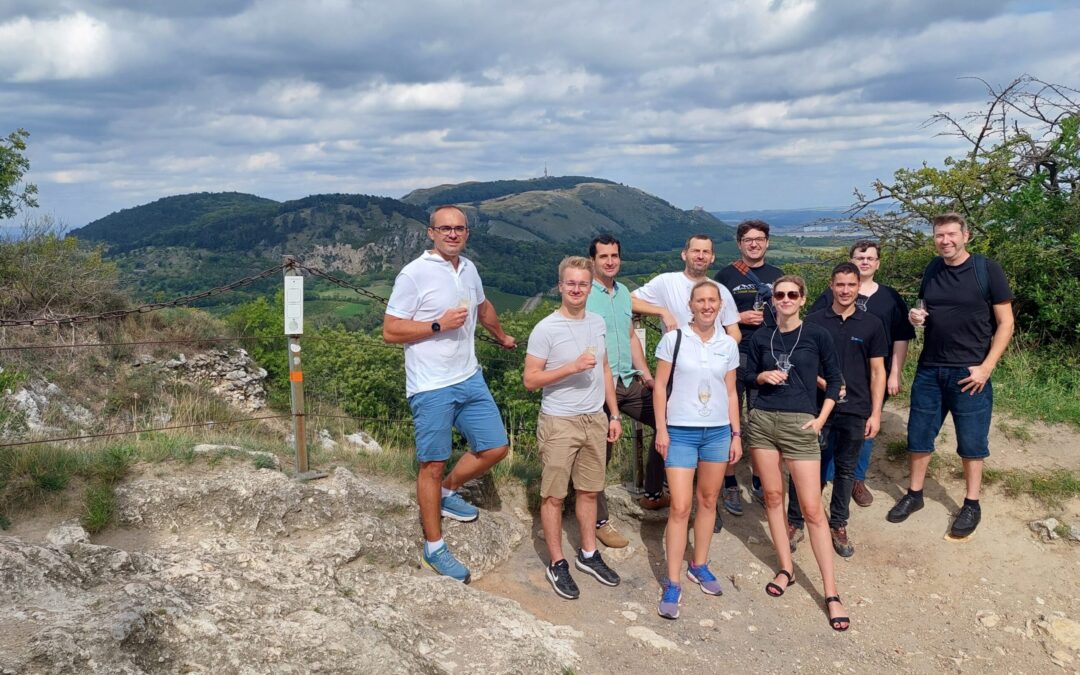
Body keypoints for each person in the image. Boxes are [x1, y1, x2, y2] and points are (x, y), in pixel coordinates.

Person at [383, 205, 517, 584]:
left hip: (469, 376)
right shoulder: (413, 273)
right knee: (433, 463)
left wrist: (501, 335)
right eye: (445, 229)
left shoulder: (468, 268)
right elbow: (390, 330)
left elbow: (482, 307)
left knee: (495, 446)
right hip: (430, 385)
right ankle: (434, 547)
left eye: (459, 228)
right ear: (431, 233)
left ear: (467, 233)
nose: (453, 234)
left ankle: (446, 493)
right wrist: (438, 324)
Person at [887, 213, 1014, 538]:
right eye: (939, 235)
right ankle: (915, 494)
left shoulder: (987, 269)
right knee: (918, 435)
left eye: (951, 234)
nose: (945, 241)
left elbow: (1006, 323)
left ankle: (971, 503)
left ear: (965, 236)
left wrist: (986, 367)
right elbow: (925, 310)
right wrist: (917, 317)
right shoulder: (933, 268)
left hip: (970, 371)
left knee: (972, 441)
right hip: (930, 368)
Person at [745, 275, 849, 631]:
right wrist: (762, 377)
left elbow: (835, 381)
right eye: (780, 294)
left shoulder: (817, 334)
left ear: (803, 298)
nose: (786, 299)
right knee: (773, 498)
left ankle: (831, 593)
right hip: (763, 423)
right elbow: (747, 376)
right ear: (772, 299)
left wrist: (821, 419)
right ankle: (786, 568)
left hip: (801, 425)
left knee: (812, 510)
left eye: (792, 294)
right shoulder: (762, 337)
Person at [524, 256, 623, 599]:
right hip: (559, 421)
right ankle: (557, 562)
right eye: (571, 283)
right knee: (554, 495)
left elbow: (605, 369)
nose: (577, 289)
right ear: (560, 286)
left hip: (595, 418)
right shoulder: (545, 329)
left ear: (590, 286)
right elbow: (530, 380)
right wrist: (571, 367)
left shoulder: (597, 322)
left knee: (590, 491)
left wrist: (614, 414)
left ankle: (589, 554)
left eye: (583, 283)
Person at [652, 280, 742, 620]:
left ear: (720, 305)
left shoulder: (728, 344)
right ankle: (672, 581)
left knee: (708, 500)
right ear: (690, 305)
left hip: (717, 431)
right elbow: (660, 387)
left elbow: (730, 392)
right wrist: (662, 429)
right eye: (700, 300)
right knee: (680, 506)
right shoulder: (674, 339)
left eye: (712, 300)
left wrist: (736, 434)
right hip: (680, 431)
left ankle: (699, 564)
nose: (706, 306)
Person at [631, 233, 740, 511]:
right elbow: (628, 301)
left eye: (706, 252)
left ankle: (705, 500)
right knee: (668, 428)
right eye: (695, 251)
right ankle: (656, 492)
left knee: (709, 431)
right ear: (685, 254)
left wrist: (720, 353)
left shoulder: (720, 291)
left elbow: (734, 331)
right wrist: (661, 311)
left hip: (711, 371)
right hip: (677, 368)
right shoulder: (666, 282)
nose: (700, 256)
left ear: (712, 257)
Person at [787, 263, 887, 558]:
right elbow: (802, 365)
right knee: (805, 468)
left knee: (846, 469)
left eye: (851, 285)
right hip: (817, 408)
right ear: (831, 285)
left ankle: (838, 524)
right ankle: (795, 521)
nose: (845, 290)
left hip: (856, 408)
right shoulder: (814, 321)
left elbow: (878, 372)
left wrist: (876, 413)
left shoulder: (872, 324)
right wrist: (825, 383)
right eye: (840, 284)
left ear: (859, 287)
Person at [808, 240, 915, 506]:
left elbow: (901, 336)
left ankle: (856, 479)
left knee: (865, 427)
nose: (864, 262)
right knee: (828, 428)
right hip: (832, 376)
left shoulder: (890, 297)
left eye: (870, 258)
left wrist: (895, 372)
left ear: (878, 263)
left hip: (872, 375)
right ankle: (826, 477)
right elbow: (812, 332)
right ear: (851, 262)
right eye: (859, 257)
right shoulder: (830, 294)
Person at [586, 235, 663, 548]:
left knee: (667, 423)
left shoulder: (622, 294)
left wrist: (647, 375)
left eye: (614, 256)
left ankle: (653, 492)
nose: (610, 261)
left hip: (628, 382)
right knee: (599, 453)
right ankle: (599, 521)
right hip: (597, 386)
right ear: (592, 260)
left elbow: (631, 336)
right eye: (603, 256)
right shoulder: (584, 293)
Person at [715, 220, 785, 515]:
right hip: (735, 354)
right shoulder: (725, 276)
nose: (754, 244)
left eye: (759, 239)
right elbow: (710, 314)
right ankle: (730, 481)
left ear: (767, 242)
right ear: (739, 243)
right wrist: (739, 318)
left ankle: (760, 478)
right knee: (727, 419)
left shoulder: (778, 276)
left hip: (768, 354)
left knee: (762, 419)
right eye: (748, 240)